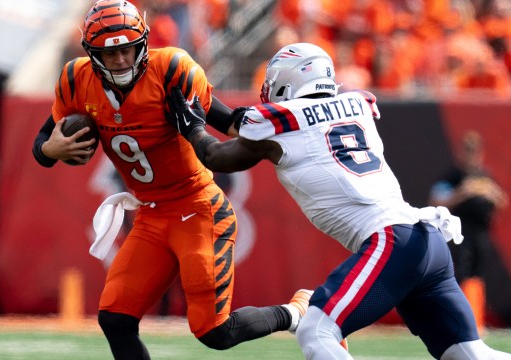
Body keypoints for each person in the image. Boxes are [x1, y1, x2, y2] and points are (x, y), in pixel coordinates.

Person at [164, 42, 511, 359]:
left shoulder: (282, 124)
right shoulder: (357, 105)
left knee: (317, 331)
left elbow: (220, 157)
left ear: (288, 82)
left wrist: (193, 128)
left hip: (391, 242)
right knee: (469, 355)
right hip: (425, 239)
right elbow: (257, 129)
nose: (268, 92)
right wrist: (205, 107)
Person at [31, 1, 314, 358]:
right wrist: (49, 151)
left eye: (127, 49)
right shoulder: (76, 79)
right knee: (115, 318)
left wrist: (285, 129)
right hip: (150, 214)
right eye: (109, 52)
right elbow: (41, 145)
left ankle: (298, 312)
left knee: (215, 332)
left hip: (198, 208)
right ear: (91, 53)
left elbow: (226, 120)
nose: (120, 59)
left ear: (143, 42)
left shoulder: (170, 69)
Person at [429, 130, 508, 331]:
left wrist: (489, 192)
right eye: (467, 151)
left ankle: (475, 319)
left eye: (474, 151)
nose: (471, 156)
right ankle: (456, 319)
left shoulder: (484, 176)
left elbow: (502, 201)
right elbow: (437, 201)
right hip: (460, 233)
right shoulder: (453, 177)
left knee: (477, 274)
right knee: (459, 274)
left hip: (481, 233)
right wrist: (464, 192)